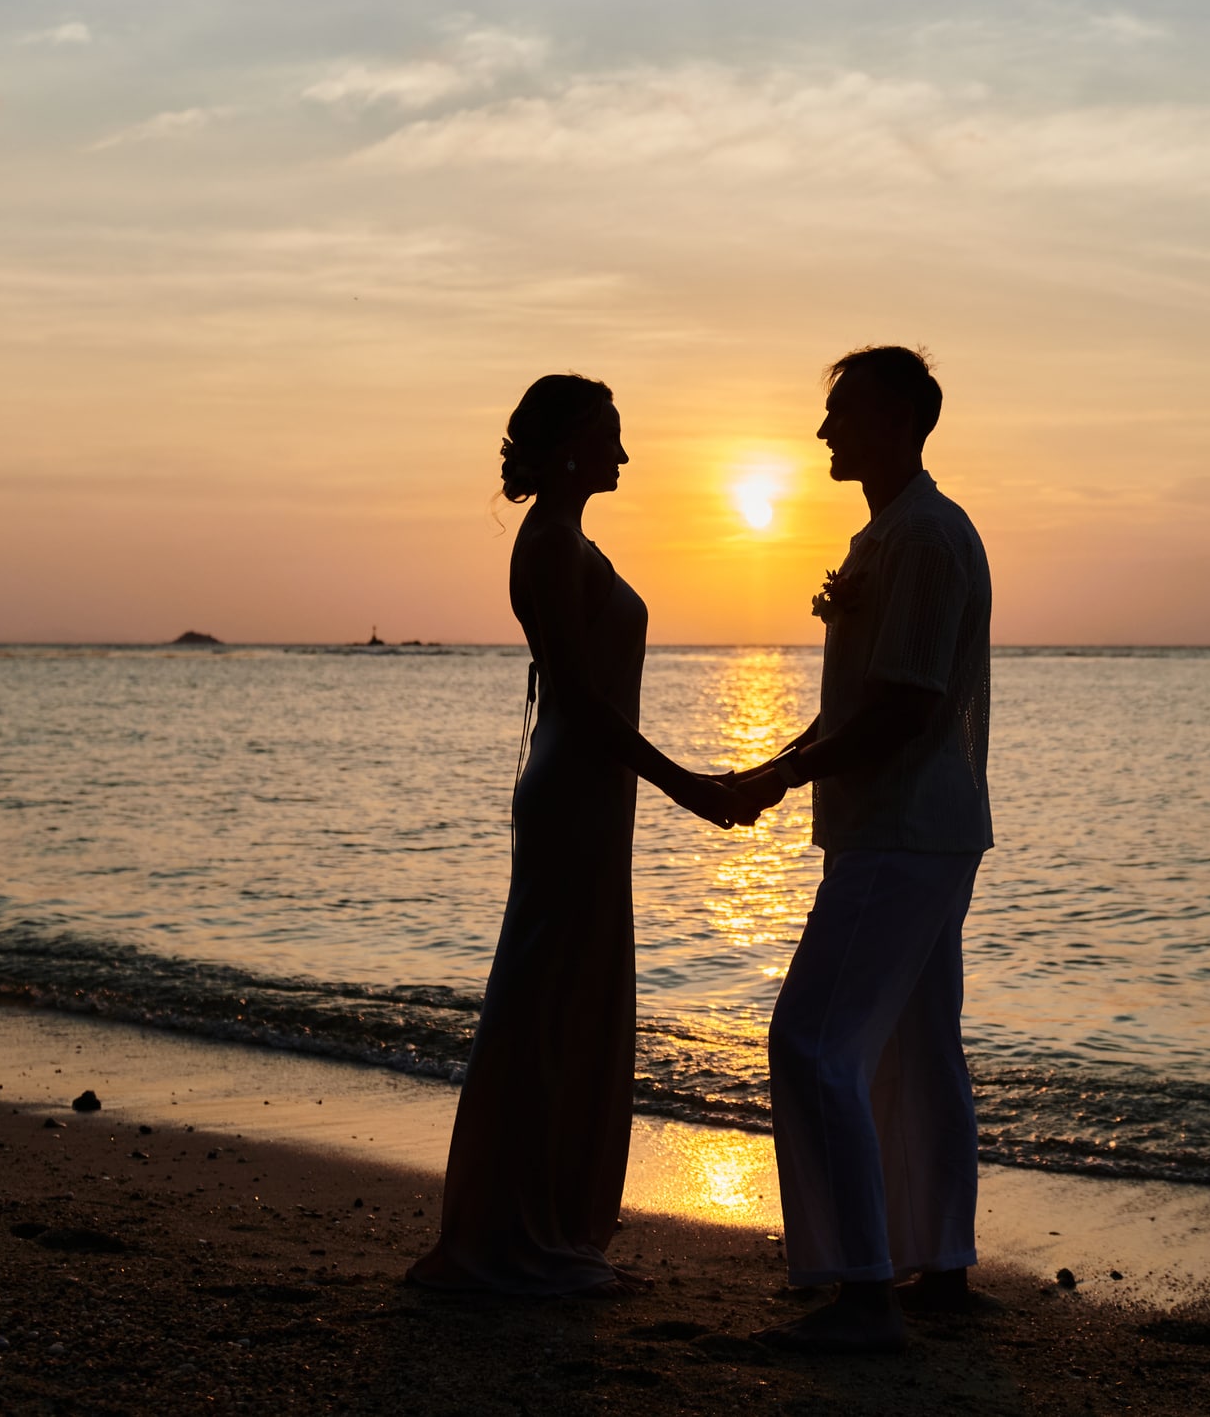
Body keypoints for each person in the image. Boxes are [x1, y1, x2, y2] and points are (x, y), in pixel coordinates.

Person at [409, 374, 760, 1296]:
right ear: (567, 444)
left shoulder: (569, 541)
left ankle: (552, 1223)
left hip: (593, 798)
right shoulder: (550, 547)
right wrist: (691, 786)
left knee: (568, 999)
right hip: (572, 793)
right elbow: (582, 702)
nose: (623, 453)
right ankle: (513, 1236)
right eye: (610, 435)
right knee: (544, 1007)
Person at [724, 345, 994, 1353]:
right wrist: (776, 766)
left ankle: (863, 1293)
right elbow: (862, 704)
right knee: (918, 1049)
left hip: (904, 830)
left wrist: (786, 776)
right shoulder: (890, 532)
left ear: (897, 420)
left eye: (841, 412)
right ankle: (939, 1267)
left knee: (810, 1041)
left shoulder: (923, 538)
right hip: (914, 827)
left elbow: (907, 708)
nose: (824, 430)